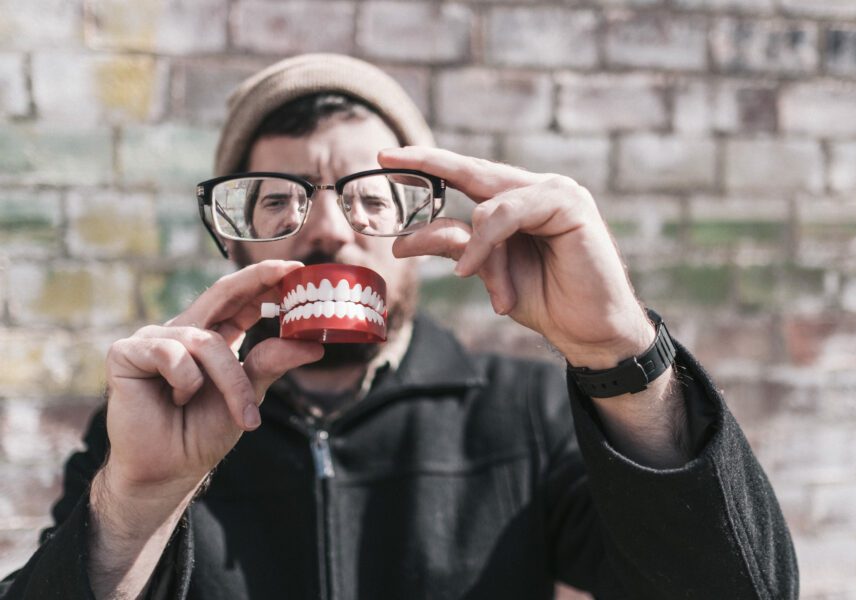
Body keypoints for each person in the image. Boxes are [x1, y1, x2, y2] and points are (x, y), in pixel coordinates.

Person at [0, 54, 798, 599]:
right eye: (278, 199)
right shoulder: (153, 428)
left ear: (419, 235)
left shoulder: (528, 413)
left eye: (369, 198)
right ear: (235, 238)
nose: (326, 229)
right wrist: (139, 502)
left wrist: (622, 355)